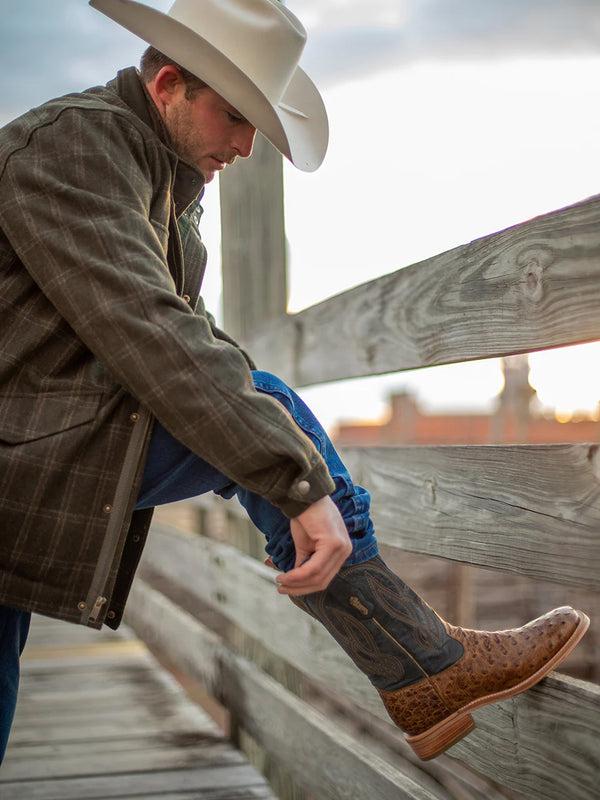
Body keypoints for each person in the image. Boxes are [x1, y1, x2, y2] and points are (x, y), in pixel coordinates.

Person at [0, 0, 589, 764]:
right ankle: (421, 663)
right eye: (238, 117)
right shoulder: (76, 148)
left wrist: (297, 475)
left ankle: (422, 665)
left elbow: (202, 344)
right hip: (21, 450)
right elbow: (150, 333)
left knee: (259, 403)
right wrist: (300, 484)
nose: (247, 146)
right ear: (171, 83)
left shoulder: (160, 186)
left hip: (28, 448)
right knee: (267, 409)